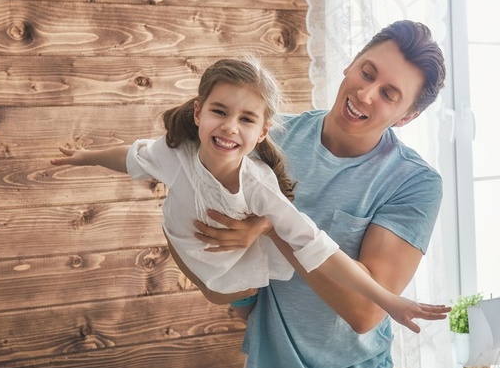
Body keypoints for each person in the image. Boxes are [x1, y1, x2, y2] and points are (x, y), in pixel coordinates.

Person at [50, 56, 448, 333]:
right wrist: (85, 157)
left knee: (238, 288)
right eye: (219, 112)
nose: (229, 128)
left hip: (245, 290)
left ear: (261, 133)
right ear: (197, 112)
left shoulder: (259, 184)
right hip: (245, 325)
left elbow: (317, 246)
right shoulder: (177, 152)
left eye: (389, 93)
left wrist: (390, 301)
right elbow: (133, 156)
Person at [193, 20, 449, 368]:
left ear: (407, 116)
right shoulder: (270, 137)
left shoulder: (414, 183)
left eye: (389, 94)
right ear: (350, 64)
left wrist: (272, 226)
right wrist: (245, 303)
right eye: (367, 72)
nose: (366, 94)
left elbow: (364, 311)